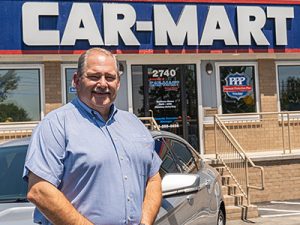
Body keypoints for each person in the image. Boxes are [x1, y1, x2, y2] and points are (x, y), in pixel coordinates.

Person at [23, 48, 162, 225]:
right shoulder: (56, 125)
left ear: (118, 83)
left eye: (110, 77)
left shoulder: (134, 124)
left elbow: (154, 178)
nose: (103, 84)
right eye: (94, 77)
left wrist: (145, 221)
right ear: (76, 80)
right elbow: (39, 190)